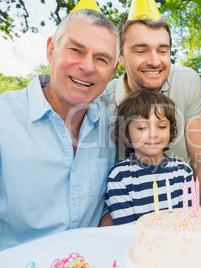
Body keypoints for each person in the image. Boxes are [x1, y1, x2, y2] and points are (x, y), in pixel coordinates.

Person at [0, 8, 119, 250]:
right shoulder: (5, 118)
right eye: (76, 50)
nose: (87, 67)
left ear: (113, 70)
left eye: (101, 59)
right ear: (51, 49)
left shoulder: (113, 128)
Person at [98, 15, 201, 207]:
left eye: (162, 50)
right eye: (141, 51)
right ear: (120, 56)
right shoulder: (103, 100)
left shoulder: (187, 81)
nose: (154, 61)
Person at [105, 91, 193, 224]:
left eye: (162, 126)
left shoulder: (183, 171)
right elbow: (126, 229)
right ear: (126, 134)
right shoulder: (119, 177)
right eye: (141, 127)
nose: (153, 134)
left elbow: (188, 220)